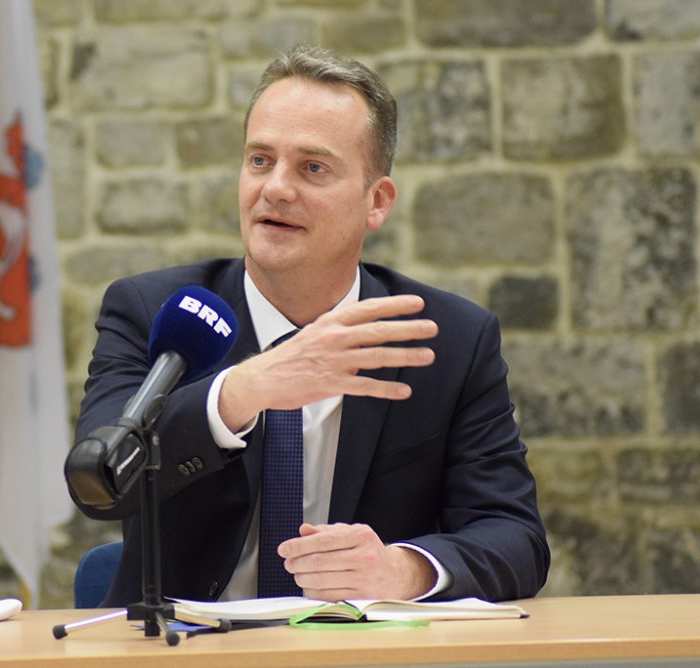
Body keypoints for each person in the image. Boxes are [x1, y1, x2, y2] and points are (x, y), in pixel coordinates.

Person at [71, 44, 549, 606]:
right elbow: (99, 484)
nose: (275, 187)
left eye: (312, 167)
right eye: (259, 160)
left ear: (377, 202)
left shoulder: (449, 340)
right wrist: (246, 388)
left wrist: (405, 570)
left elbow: (516, 537)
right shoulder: (156, 311)